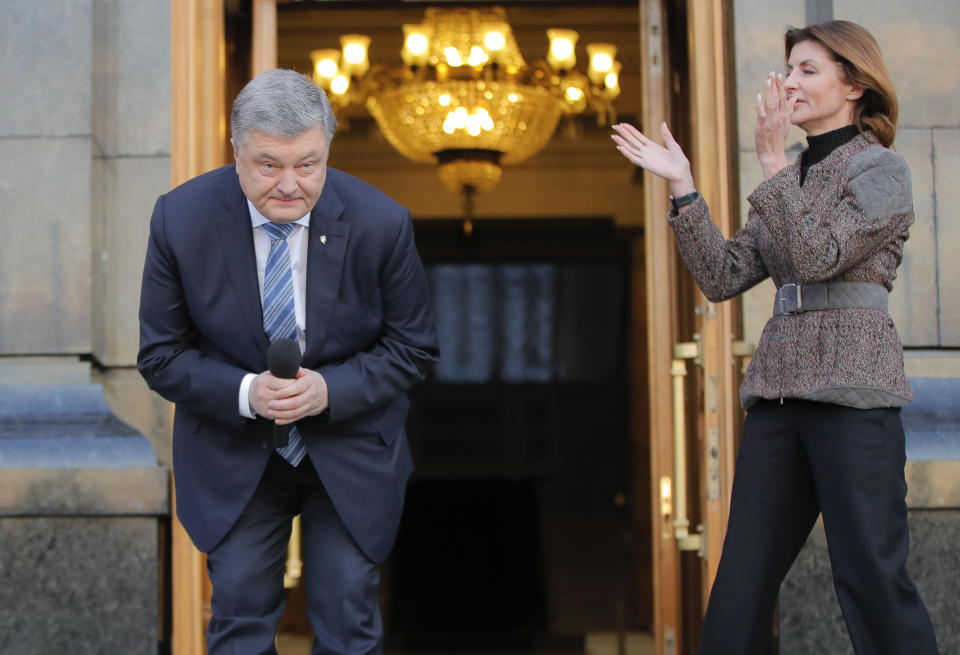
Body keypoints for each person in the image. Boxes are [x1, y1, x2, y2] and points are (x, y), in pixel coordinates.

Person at [612, 20, 938, 655]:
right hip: (778, 401)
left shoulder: (881, 170)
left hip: (854, 398)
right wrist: (684, 189)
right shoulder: (793, 177)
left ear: (855, 84)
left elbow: (818, 257)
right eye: (789, 68)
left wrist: (769, 165)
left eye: (808, 70)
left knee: (869, 576)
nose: (789, 82)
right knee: (740, 584)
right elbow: (723, 274)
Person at [138, 68, 439, 654]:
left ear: (327, 149)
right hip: (233, 449)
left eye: (308, 164)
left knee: (349, 616)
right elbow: (161, 354)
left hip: (350, 446)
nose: (289, 185)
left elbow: (413, 347)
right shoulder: (181, 219)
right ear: (236, 150)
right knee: (240, 621)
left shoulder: (382, 222)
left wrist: (330, 390)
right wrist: (247, 392)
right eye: (268, 165)